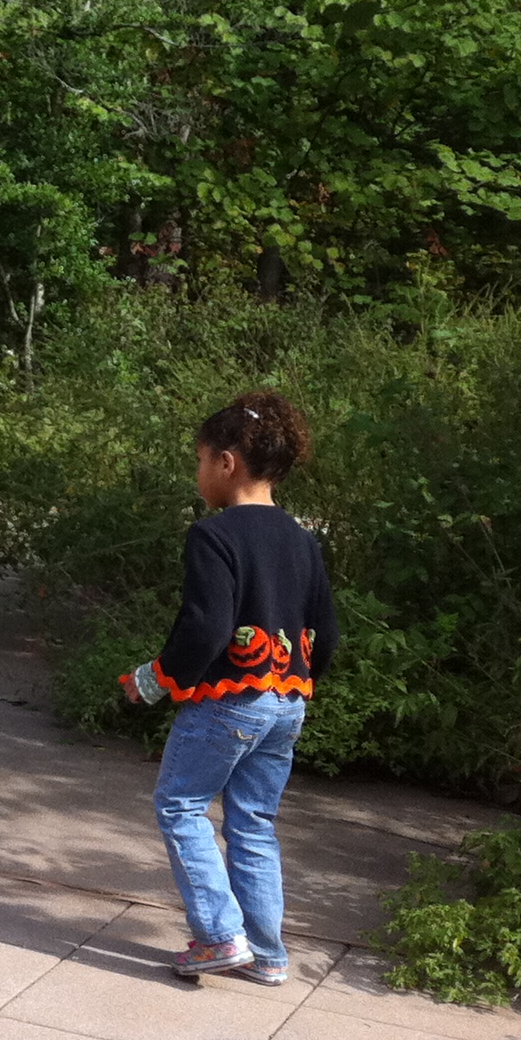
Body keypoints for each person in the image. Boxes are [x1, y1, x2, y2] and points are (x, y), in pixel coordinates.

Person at [123, 392, 337, 984]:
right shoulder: (302, 540)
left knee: (181, 805)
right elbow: (328, 631)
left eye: (199, 461)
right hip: (287, 703)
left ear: (226, 463)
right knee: (253, 821)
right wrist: (295, 688)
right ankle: (268, 954)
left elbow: (206, 628)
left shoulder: (213, 536)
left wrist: (155, 680)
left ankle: (219, 937)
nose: (197, 475)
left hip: (227, 702)